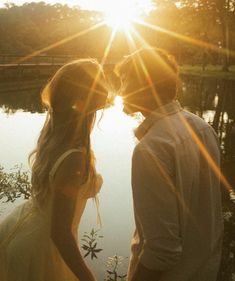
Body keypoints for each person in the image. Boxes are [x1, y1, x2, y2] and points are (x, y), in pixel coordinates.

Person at [115, 48, 223, 281]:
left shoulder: (151, 149)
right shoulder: (203, 129)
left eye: (124, 80)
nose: (119, 89)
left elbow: (161, 251)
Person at [0, 59, 108, 281]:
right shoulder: (75, 158)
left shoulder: (55, 136)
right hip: (43, 249)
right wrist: (89, 278)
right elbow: (60, 233)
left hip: (25, 230)